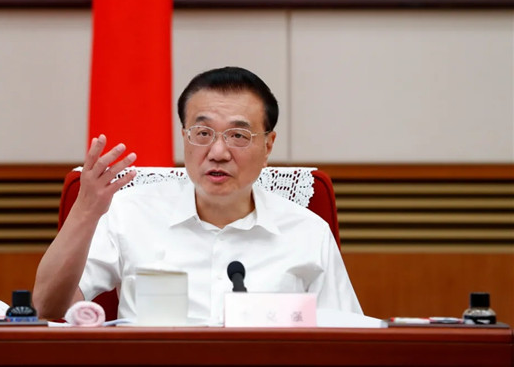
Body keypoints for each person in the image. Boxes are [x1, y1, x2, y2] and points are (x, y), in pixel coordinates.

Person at [33, 66, 362, 322]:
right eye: (203, 133)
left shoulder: (307, 233)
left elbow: (349, 342)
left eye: (238, 135)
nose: (218, 152)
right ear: (184, 137)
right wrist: (86, 211)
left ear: (268, 145)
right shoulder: (129, 213)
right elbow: (47, 306)